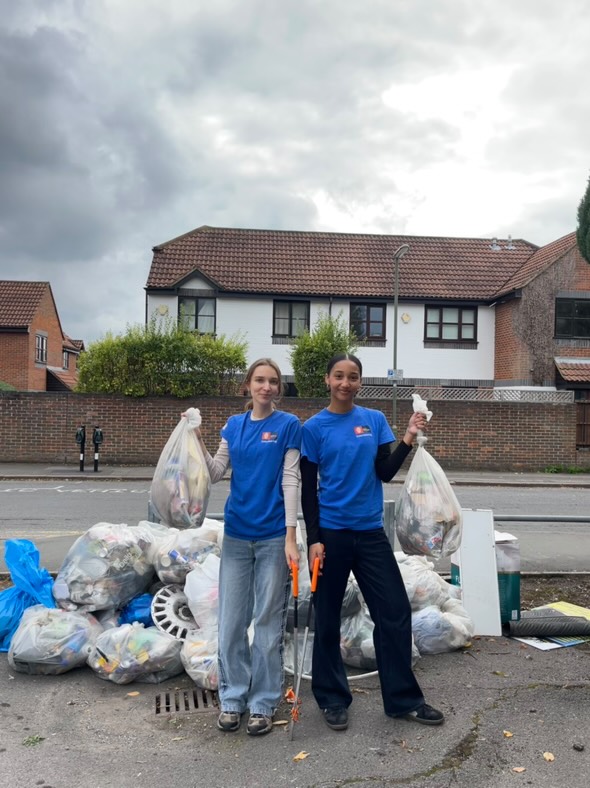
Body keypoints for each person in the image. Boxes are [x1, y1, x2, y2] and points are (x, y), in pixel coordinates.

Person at [300, 352, 444, 731]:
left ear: (360, 382)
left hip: (369, 533)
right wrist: (313, 539)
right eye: (339, 376)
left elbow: (384, 471)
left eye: (353, 377)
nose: (345, 383)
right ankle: (332, 699)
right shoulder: (313, 428)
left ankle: (402, 700)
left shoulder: (374, 420)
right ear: (328, 380)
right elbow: (308, 493)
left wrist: (408, 437)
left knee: (394, 612)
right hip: (331, 535)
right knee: (328, 618)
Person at [196, 358, 301, 736]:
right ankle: (233, 698)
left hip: (273, 534)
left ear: (279, 389)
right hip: (237, 534)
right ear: (248, 385)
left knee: (268, 623)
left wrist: (291, 535)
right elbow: (214, 472)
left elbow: (292, 480)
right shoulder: (234, 426)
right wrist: (193, 439)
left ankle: (263, 702)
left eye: (273, 381)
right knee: (232, 620)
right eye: (260, 380)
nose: (267, 387)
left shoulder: (288, 426)